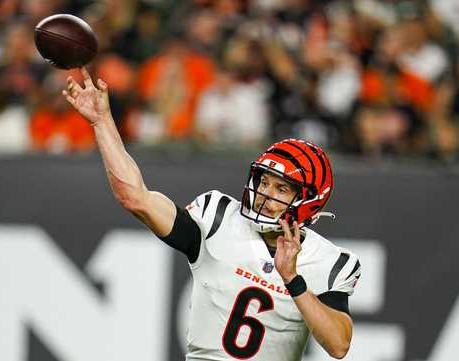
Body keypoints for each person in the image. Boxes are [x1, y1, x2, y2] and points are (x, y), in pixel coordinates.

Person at [62, 68, 361, 360]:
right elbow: (135, 197)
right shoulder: (218, 218)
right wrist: (102, 122)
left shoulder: (329, 262)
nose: (266, 195)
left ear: (309, 200)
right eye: (264, 183)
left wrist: (293, 279)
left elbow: (338, 345)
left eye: (281, 189)